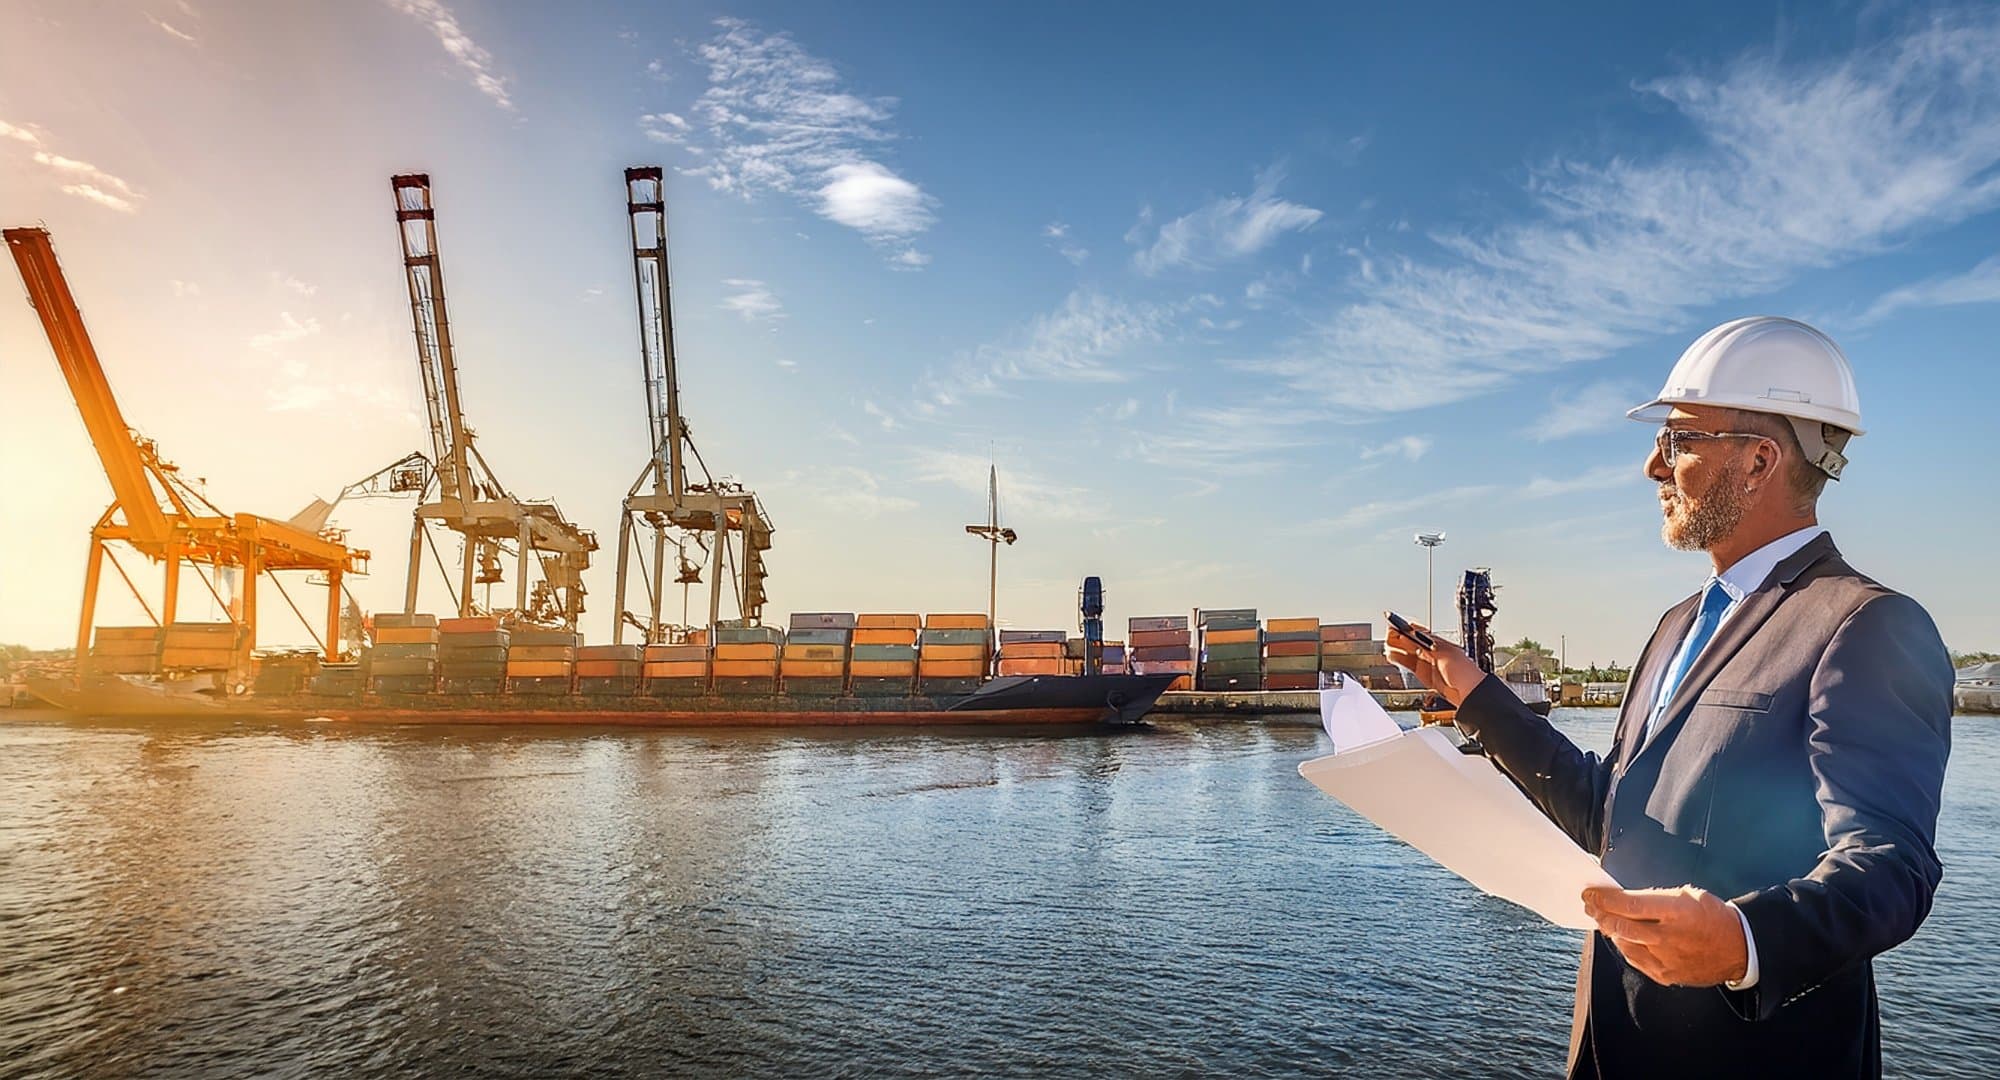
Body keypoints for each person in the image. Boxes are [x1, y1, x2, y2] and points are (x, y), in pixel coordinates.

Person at [1385, 316, 1953, 1079]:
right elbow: (1610, 812)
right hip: (1611, 1044)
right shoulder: (1676, 625)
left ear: (1758, 461)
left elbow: (1890, 864)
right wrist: (1476, 696)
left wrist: (1745, 942)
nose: (1653, 465)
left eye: (1679, 440)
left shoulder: (1865, 624)